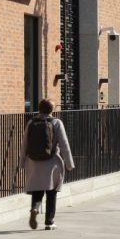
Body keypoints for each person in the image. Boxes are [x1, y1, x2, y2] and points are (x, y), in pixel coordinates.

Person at [24, 98, 74, 230]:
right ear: (52, 109)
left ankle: (35, 208)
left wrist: (23, 162)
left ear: (39, 108)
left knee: (37, 190)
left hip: (34, 162)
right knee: (51, 193)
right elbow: (64, 145)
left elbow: (25, 144)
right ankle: (49, 222)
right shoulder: (57, 122)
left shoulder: (31, 122)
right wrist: (69, 164)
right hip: (52, 162)